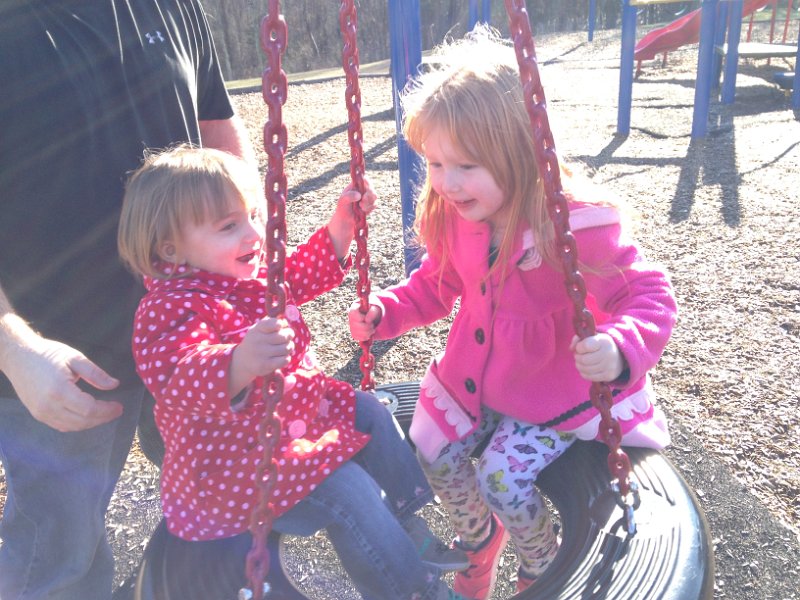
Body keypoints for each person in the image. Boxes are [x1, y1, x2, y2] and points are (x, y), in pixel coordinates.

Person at [348, 26, 678, 599]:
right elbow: (436, 285)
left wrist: (620, 346)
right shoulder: (458, 217)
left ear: (521, 153)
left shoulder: (572, 225)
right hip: (478, 379)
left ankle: (540, 560)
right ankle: (478, 542)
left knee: (503, 478)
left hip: (553, 389)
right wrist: (387, 311)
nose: (446, 183)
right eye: (435, 163)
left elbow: (648, 294)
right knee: (432, 449)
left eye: (465, 166)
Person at [116, 144, 471, 600]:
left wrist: (341, 227)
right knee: (349, 490)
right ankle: (415, 591)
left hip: (291, 425)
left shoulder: (247, 273)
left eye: (252, 216)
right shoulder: (168, 308)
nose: (253, 234)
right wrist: (237, 362)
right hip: (234, 474)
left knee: (370, 411)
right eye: (229, 226)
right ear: (171, 248)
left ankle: (405, 519)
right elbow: (176, 376)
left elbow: (300, 272)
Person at [0, 1, 255, 598]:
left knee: (224, 523)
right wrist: (15, 350)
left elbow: (217, 128)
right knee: (56, 563)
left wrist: (251, 238)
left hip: (197, 337)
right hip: (60, 357)